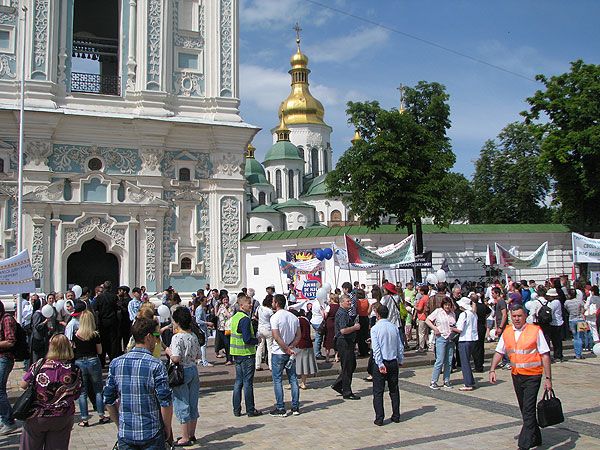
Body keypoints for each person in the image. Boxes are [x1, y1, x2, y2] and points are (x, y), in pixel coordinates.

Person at [104, 317, 173, 450]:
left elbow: (108, 399)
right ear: (148, 337)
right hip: (151, 432)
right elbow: (165, 401)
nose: (157, 340)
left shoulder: (116, 363)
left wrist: (120, 425)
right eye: (156, 336)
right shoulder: (156, 365)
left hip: (126, 433)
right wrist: (167, 428)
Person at [489, 305, 552, 450]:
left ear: (525, 316)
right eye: (514, 316)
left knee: (529, 409)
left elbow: (545, 354)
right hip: (517, 375)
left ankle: (524, 445)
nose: (517, 319)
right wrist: (492, 369)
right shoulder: (508, 331)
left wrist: (548, 379)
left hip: (533, 376)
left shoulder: (534, 331)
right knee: (525, 409)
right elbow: (499, 351)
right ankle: (536, 437)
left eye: (519, 316)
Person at [19, 334, 83, 450]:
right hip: (63, 416)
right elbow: (77, 394)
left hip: (38, 415)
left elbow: (23, 385)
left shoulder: (40, 365)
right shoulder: (74, 370)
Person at [166, 307, 201, 446]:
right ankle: (192, 433)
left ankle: (185, 436)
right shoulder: (193, 336)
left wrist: (168, 351)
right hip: (193, 369)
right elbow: (198, 355)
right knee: (193, 402)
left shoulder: (177, 337)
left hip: (181, 371)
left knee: (182, 402)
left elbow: (175, 358)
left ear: (178, 322)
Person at [72, 310, 110, 427]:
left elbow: (73, 351)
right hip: (93, 360)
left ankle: (84, 419)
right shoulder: (95, 334)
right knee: (98, 389)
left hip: (79, 361)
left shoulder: (76, 334)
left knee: (82, 391)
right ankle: (101, 415)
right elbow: (100, 351)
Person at [370, 304, 404, 426]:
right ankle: (396, 415)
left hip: (382, 361)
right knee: (394, 390)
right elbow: (399, 345)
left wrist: (379, 363)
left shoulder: (375, 328)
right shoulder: (393, 327)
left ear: (378, 314)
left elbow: (376, 348)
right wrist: (400, 359)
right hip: (393, 361)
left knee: (378, 391)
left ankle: (379, 418)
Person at [230, 295, 262, 417]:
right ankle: (250, 409)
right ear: (242, 305)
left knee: (238, 382)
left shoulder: (235, 318)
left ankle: (236, 409)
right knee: (248, 383)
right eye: (249, 303)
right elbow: (247, 339)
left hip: (236, 354)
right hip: (246, 354)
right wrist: (257, 340)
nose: (251, 305)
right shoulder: (245, 319)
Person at [269, 294, 301, 417]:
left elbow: (276, 336)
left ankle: (281, 407)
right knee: (293, 378)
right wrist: (291, 347)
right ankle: (295, 406)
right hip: (290, 351)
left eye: (273, 301)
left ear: (276, 303)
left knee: (277, 380)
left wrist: (286, 348)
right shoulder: (294, 317)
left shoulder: (275, 317)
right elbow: (298, 335)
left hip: (279, 352)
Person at [331, 294, 361, 400]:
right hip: (344, 342)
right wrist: (354, 327)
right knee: (348, 366)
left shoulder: (345, 313)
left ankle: (339, 384)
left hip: (348, 342)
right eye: (347, 301)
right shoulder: (342, 313)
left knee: (351, 365)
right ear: (342, 302)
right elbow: (343, 330)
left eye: (350, 301)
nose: (350, 303)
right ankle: (347, 391)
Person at [425, 298, 457, 390]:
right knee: (440, 360)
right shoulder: (438, 311)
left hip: (450, 338)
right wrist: (435, 328)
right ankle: (433, 381)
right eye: (446, 304)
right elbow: (428, 320)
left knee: (449, 360)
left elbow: (454, 325)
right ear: (443, 305)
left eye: (449, 305)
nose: (447, 306)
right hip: (441, 337)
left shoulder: (452, 314)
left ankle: (446, 380)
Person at [0, 301, 18, 435]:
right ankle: (5, 418)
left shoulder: (6, 319)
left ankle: (9, 421)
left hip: (5, 358)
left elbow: (11, 341)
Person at [454, 297, 478, 391]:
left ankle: (468, 383)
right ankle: (470, 381)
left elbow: (459, 329)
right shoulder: (473, 314)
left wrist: (451, 328)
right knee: (467, 361)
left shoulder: (464, 314)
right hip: (473, 339)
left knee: (465, 363)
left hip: (465, 339)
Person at [95, 280, 120, 366]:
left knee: (102, 341)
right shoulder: (114, 297)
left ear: (104, 287)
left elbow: (95, 309)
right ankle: (112, 360)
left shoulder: (99, 297)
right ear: (110, 288)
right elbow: (118, 308)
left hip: (102, 322)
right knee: (113, 342)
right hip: (112, 321)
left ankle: (102, 361)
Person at [295, 309, 318, 389]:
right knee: (305, 365)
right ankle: (303, 382)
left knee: (299, 365)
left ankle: (297, 383)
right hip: (308, 344)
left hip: (300, 344)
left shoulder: (298, 321)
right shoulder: (306, 321)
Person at [564, 289, 586, 359]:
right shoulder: (580, 301)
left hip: (572, 319)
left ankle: (577, 353)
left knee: (575, 337)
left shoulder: (567, 302)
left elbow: (567, 309)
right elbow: (583, 310)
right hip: (580, 320)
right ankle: (579, 354)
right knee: (580, 337)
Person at [194, 295, 214, 367]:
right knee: (203, 345)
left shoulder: (201, 308)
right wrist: (207, 323)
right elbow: (198, 320)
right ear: (201, 301)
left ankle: (201, 360)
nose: (206, 303)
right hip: (201, 329)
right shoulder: (199, 309)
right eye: (205, 301)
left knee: (201, 345)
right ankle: (204, 361)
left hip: (203, 328)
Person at [255, 296, 274, 371]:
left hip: (260, 329)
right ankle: (271, 366)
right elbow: (273, 320)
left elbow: (255, 316)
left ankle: (257, 365)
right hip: (268, 329)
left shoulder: (259, 308)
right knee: (270, 348)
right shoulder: (270, 311)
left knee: (260, 347)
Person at [545, 288, 564, 362]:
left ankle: (558, 356)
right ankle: (557, 355)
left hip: (556, 323)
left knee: (556, 341)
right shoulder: (555, 302)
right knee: (555, 341)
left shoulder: (555, 302)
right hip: (555, 323)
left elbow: (550, 310)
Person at [216, 293, 234, 365]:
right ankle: (227, 358)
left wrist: (225, 309)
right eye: (224, 300)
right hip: (220, 327)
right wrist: (218, 309)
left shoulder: (231, 307)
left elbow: (230, 316)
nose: (226, 301)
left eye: (227, 299)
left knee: (228, 344)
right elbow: (217, 315)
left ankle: (229, 359)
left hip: (227, 328)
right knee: (223, 344)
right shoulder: (220, 306)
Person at [415, 285, 430, 352]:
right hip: (428, 317)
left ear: (423, 291)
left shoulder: (422, 299)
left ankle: (421, 347)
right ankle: (428, 345)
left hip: (422, 317)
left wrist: (414, 306)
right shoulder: (428, 298)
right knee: (426, 333)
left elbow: (419, 308)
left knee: (421, 333)